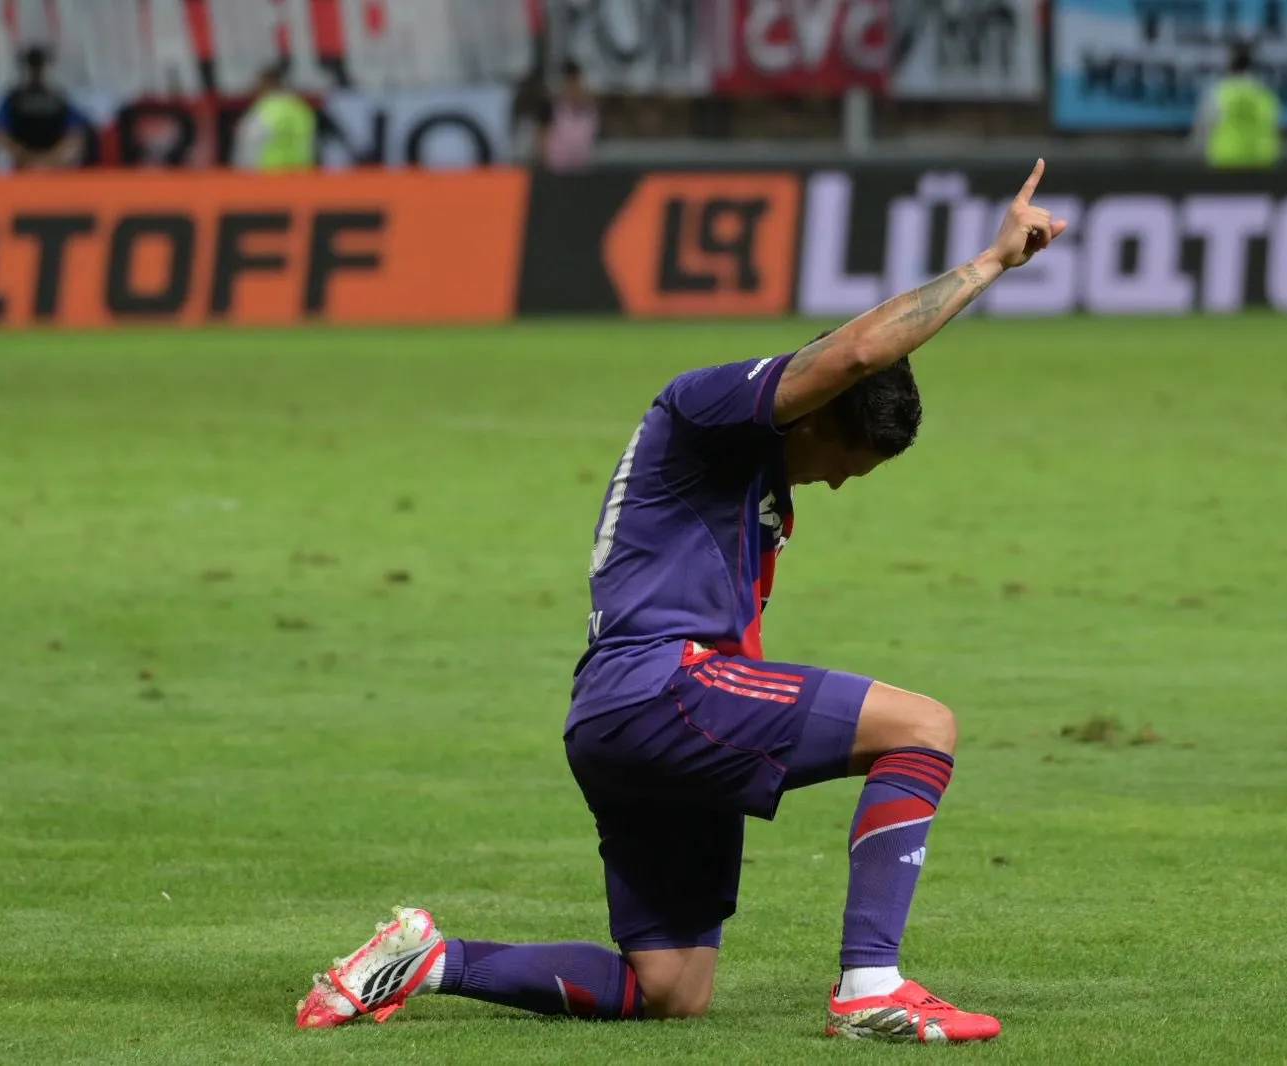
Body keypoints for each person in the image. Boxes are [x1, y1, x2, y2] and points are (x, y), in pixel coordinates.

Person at [295, 161, 1068, 1043]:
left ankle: (428, 960)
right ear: (812, 414)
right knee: (924, 727)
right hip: (659, 689)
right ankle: (871, 986)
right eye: (849, 463)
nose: (843, 486)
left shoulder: (755, 479)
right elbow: (854, 354)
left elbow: (848, 384)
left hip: (620, 718)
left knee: (669, 989)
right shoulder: (705, 410)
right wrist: (990, 263)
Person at [0, 46, 85, 171]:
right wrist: (27, 158)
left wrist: (50, 160)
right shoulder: (14, 99)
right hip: (22, 165)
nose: (36, 72)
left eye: (39, 67)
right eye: (32, 67)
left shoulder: (58, 99)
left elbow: (75, 136)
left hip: (55, 165)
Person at [1193, 41, 1281, 169]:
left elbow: (1202, 132)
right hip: (1261, 164)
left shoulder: (1219, 93)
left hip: (1225, 163)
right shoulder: (1265, 94)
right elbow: (1274, 127)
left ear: (1229, 65)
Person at [232, 61, 316, 172]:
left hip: (269, 176)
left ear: (267, 84)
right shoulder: (300, 109)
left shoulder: (266, 110)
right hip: (301, 176)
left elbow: (250, 145)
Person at [535, 60, 599, 172]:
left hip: (582, 170)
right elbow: (540, 136)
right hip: (555, 170)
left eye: (575, 82)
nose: (572, 87)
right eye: (569, 83)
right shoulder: (551, 107)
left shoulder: (591, 110)